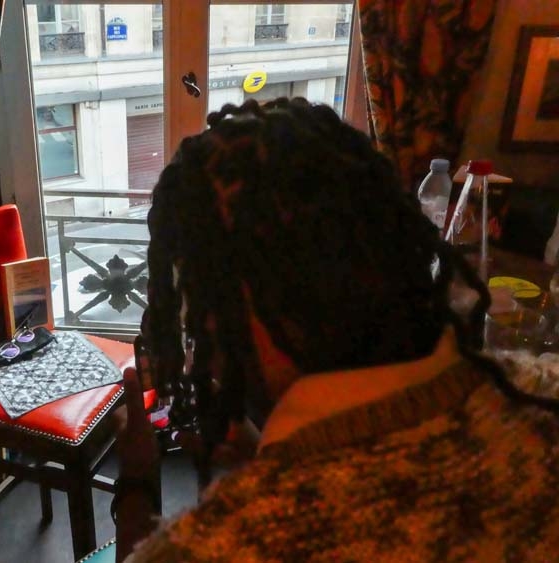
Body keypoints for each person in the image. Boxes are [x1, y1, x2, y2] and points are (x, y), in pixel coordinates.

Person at [113, 97, 559, 562]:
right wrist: (270, 456)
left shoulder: (217, 546)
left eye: (199, 296)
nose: (196, 333)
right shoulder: (542, 392)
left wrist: (137, 484)